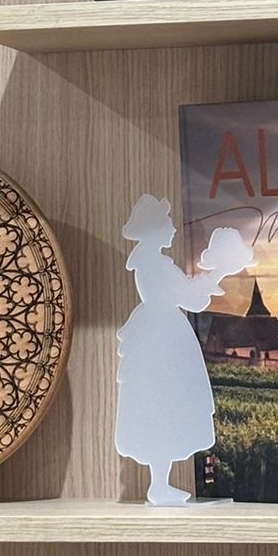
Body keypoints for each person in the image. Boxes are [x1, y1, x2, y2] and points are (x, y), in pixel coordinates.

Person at [115, 195, 253, 505]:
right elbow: (191, 298)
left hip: (159, 332)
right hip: (163, 336)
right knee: (166, 400)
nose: (173, 229)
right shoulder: (156, 265)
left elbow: (189, 296)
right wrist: (219, 270)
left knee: (162, 403)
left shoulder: (149, 262)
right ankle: (159, 485)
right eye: (167, 223)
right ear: (154, 229)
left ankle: (160, 483)